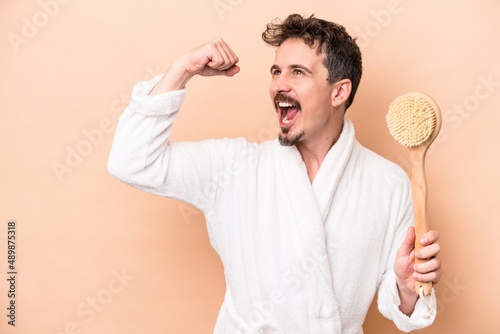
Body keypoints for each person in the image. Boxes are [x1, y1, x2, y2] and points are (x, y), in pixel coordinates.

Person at [108, 13, 442, 334]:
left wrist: (406, 287)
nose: (278, 85)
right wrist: (182, 70)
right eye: (275, 71)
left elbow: (401, 308)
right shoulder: (233, 167)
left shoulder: (388, 184)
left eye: (297, 72)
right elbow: (131, 160)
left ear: (339, 92)